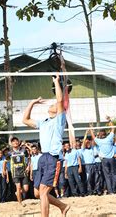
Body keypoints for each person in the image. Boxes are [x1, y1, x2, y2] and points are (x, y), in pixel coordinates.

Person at [22, 74, 73, 217]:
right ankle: (63, 206)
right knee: (38, 192)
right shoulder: (43, 121)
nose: (53, 105)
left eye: (56, 105)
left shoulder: (60, 120)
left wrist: (56, 82)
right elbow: (25, 120)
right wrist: (32, 103)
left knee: (44, 191)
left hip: (53, 157)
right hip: (43, 158)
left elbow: (59, 100)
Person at [91, 120, 116, 194]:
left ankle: (111, 191)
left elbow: (92, 135)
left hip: (105, 160)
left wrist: (91, 128)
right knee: (115, 175)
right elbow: (113, 128)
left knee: (108, 176)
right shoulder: (109, 138)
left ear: (101, 135)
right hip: (111, 159)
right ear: (105, 134)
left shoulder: (99, 141)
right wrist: (110, 120)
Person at [5, 137, 30, 206]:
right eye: (13, 141)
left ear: (19, 142)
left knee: (26, 189)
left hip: (23, 171)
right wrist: (3, 170)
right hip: (15, 172)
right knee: (18, 187)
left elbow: (29, 158)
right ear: (11, 144)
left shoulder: (23, 150)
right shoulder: (9, 153)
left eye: (16, 141)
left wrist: (28, 166)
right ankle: (20, 203)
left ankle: (18, 193)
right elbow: (4, 162)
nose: (15, 142)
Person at [81, 130, 95, 195]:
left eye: (89, 143)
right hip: (87, 165)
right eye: (87, 143)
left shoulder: (92, 148)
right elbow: (84, 142)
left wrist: (92, 132)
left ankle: (94, 190)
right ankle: (89, 191)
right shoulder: (83, 149)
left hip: (93, 165)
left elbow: (94, 140)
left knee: (94, 178)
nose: (88, 144)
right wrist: (86, 134)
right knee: (88, 179)